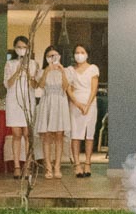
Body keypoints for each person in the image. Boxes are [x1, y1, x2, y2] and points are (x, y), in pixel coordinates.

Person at [3, 35, 38, 179]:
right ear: (15, 48)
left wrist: (28, 72)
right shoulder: (9, 64)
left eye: (24, 47)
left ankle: (28, 165)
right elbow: (7, 84)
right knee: (16, 134)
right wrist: (18, 70)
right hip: (13, 101)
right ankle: (17, 166)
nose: (22, 49)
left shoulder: (33, 64)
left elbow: (35, 85)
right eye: (19, 47)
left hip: (28, 101)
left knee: (27, 134)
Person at [35, 45, 69, 179]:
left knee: (59, 135)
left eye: (55, 55)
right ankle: (48, 167)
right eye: (50, 56)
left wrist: (62, 71)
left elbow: (66, 87)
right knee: (47, 136)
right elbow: (41, 85)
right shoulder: (42, 71)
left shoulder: (65, 70)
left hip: (60, 102)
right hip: (47, 101)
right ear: (46, 58)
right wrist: (47, 71)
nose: (53, 58)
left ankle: (57, 166)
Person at [66, 45, 100, 178]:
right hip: (75, 104)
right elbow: (68, 89)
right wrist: (78, 104)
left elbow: (94, 89)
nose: (79, 55)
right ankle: (77, 164)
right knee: (76, 134)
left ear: (87, 54)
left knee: (89, 134)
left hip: (90, 104)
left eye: (82, 52)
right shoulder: (70, 70)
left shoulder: (93, 68)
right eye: (76, 52)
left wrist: (87, 105)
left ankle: (87, 163)